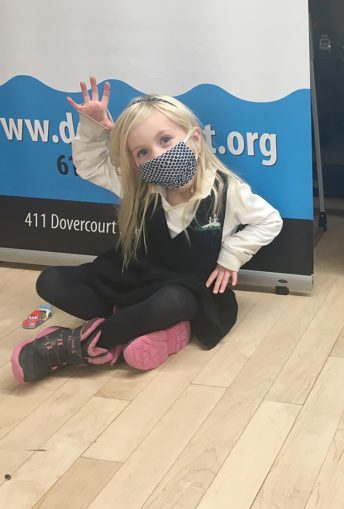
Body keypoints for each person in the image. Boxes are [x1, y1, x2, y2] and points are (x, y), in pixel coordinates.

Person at [11, 77, 283, 383]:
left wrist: (231, 256)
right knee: (51, 282)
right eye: (142, 152)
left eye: (165, 140)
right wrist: (92, 126)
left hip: (184, 289)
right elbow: (89, 166)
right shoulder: (139, 186)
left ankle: (74, 346)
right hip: (133, 280)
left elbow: (270, 220)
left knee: (173, 303)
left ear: (194, 139)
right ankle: (145, 330)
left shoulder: (226, 190)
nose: (156, 155)